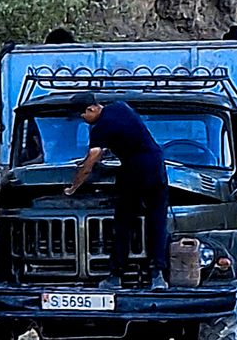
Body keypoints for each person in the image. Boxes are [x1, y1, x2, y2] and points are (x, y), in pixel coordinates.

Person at [66, 94, 170, 289]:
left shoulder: (101, 128)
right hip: (156, 164)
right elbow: (124, 134)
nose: (84, 121)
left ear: (92, 109)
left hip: (134, 169)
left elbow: (91, 161)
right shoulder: (120, 106)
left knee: (123, 222)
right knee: (157, 220)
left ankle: (116, 275)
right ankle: (157, 276)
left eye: (83, 117)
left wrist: (74, 187)